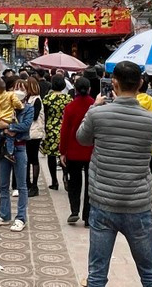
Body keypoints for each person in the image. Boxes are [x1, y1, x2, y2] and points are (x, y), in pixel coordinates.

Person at [75, 61, 152, 287]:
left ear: (113, 82)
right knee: (151, 274)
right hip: (138, 204)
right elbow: (149, 145)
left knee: (96, 275)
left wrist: (94, 107)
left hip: (103, 203)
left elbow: (82, 139)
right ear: (141, 83)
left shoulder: (98, 115)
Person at [0, 89, 34, 232]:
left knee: (21, 185)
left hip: (20, 148)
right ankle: (4, 214)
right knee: (3, 185)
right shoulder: (4, 106)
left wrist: (8, 127)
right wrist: (4, 129)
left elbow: (25, 126)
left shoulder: (28, 108)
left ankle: (21, 218)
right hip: (3, 149)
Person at [59, 77, 94, 225]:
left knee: (74, 182)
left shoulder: (70, 107)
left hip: (73, 150)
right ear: (90, 88)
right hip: (92, 150)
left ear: (75, 88)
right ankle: (88, 215)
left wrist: (62, 151)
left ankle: (74, 211)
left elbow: (65, 130)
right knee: (90, 184)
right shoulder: (95, 105)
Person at [40, 75, 72, 190]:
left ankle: (54, 181)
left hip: (51, 128)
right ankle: (65, 176)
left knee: (51, 156)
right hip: (64, 128)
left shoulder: (48, 98)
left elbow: (45, 114)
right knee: (64, 154)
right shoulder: (68, 98)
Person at [0, 77, 24, 163]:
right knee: (10, 136)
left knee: (1, 133)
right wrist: (21, 107)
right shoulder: (10, 94)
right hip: (9, 119)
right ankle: (9, 152)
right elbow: (17, 103)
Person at [18, 77, 45, 198]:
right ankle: (27, 183)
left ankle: (34, 185)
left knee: (33, 158)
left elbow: (34, 116)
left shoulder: (36, 100)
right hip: (28, 131)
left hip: (34, 133)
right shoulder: (28, 99)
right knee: (27, 158)